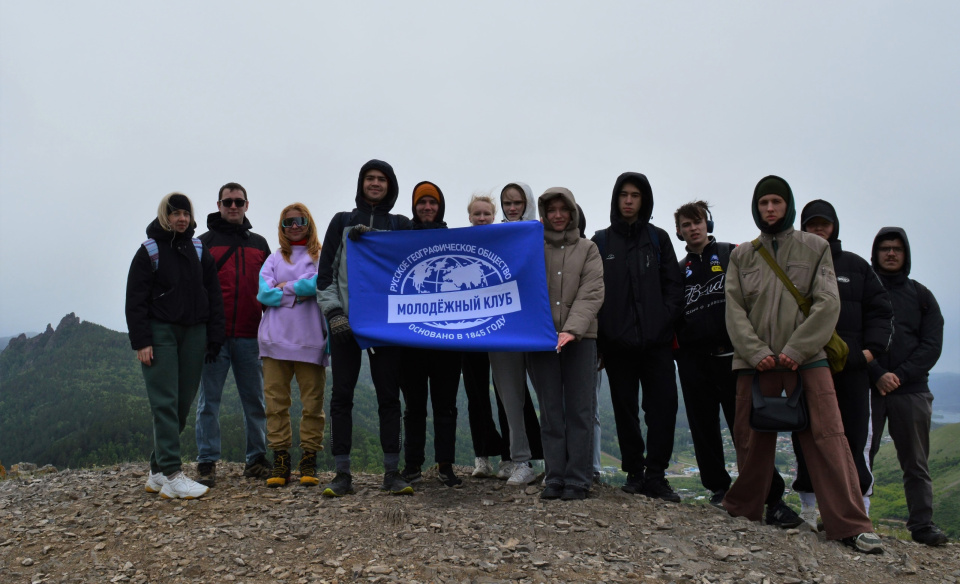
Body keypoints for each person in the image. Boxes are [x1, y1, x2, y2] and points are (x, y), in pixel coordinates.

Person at [723, 175, 882, 554]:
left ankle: (851, 524)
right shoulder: (742, 255)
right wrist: (756, 350)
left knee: (829, 437)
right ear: (756, 208)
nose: (770, 209)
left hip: (808, 359)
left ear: (788, 205)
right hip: (754, 362)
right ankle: (742, 512)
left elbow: (828, 303)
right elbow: (734, 309)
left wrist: (796, 349)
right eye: (763, 203)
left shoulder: (814, 247)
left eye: (776, 201)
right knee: (750, 439)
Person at [673, 200, 800, 526]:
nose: (693, 228)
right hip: (692, 360)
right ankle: (718, 491)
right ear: (680, 231)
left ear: (707, 223)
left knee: (747, 430)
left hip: (734, 358)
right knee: (703, 430)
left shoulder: (734, 254)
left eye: (697, 221)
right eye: (686, 225)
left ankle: (773, 499)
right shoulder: (678, 269)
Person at [791, 200, 894, 528]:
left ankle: (858, 510)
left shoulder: (856, 266)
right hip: (808, 366)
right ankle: (809, 511)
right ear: (804, 227)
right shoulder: (794, 266)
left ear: (834, 226)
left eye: (824, 223)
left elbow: (881, 311)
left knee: (854, 439)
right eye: (812, 223)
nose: (818, 228)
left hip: (851, 370)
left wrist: (868, 353)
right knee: (804, 436)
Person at [317, 159, 414, 497]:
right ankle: (341, 475)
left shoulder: (401, 225)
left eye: (381, 179)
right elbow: (324, 276)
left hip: (386, 326)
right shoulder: (342, 222)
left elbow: (417, 265)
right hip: (345, 323)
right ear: (361, 183)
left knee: (389, 397)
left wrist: (377, 242)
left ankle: (392, 473)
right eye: (369, 178)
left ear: (391, 185)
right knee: (341, 396)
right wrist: (334, 314)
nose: (375, 183)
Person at [591, 172, 684, 502]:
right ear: (616, 199)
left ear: (644, 200)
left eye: (636, 195)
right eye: (623, 195)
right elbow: (594, 293)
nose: (629, 200)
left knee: (663, 408)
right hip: (618, 346)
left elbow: (674, 287)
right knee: (624, 409)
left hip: (657, 343)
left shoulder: (658, 239)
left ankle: (657, 476)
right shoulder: (600, 242)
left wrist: (662, 321)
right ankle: (634, 472)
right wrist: (605, 338)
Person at [126, 192, 224, 499]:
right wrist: (141, 341)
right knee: (165, 402)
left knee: (181, 405)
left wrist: (214, 336)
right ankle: (172, 473)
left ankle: (156, 472)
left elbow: (214, 293)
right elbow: (135, 300)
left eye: (186, 213)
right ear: (164, 216)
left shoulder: (198, 249)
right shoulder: (150, 250)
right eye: (175, 213)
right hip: (160, 332)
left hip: (194, 332)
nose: (181, 218)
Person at [868, 227, 947, 546]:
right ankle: (855, 519)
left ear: (906, 254)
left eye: (897, 249)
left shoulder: (921, 295)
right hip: (869, 388)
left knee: (915, 462)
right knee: (863, 458)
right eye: (885, 248)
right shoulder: (865, 291)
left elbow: (932, 343)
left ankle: (922, 525)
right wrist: (876, 373)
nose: (890, 253)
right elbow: (852, 336)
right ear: (875, 253)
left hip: (911, 390)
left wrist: (897, 375)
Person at [527, 188, 604, 501]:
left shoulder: (589, 249)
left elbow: (592, 292)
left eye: (564, 209)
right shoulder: (531, 248)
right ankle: (555, 476)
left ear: (572, 213)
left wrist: (572, 329)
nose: (558, 215)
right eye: (552, 210)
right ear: (544, 214)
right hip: (542, 340)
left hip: (582, 340)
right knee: (550, 412)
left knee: (580, 411)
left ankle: (578, 479)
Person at [194, 182, 272, 487]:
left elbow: (270, 288)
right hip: (214, 339)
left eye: (239, 201)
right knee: (208, 402)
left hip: (251, 336)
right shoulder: (203, 244)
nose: (233, 206)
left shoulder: (260, 244)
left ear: (247, 205)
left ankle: (255, 460)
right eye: (228, 202)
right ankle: (207, 462)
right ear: (218, 204)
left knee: (255, 401)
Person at [256, 203, 329, 488]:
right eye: (288, 222)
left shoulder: (321, 256)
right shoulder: (274, 257)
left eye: (300, 220)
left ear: (309, 223)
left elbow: (320, 285)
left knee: (313, 405)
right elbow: (263, 293)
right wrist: (299, 290)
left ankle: (309, 458)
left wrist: (285, 287)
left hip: (311, 341)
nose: (294, 226)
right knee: (276, 404)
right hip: (273, 341)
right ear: (281, 227)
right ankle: (281, 460)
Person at [398, 182, 463, 488]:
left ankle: (446, 466)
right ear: (414, 206)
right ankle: (412, 465)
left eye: (432, 202)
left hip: (447, 341)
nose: (427, 207)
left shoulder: (453, 240)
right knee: (413, 407)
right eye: (421, 202)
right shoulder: (400, 238)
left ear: (441, 207)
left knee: (446, 405)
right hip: (411, 341)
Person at [487, 183, 544, 485]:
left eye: (517, 202)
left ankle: (560, 461)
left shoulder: (541, 232)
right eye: (507, 203)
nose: (512, 208)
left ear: (527, 203)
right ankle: (521, 460)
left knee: (548, 397)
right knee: (510, 398)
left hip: (536, 326)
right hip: (503, 329)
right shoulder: (493, 236)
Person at [460, 193, 517, 479]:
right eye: (477, 214)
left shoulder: (505, 239)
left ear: (494, 216)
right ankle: (482, 457)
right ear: (469, 217)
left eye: (486, 214)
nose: (482, 218)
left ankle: (509, 456)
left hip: (500, 329)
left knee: (505, 393)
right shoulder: (458, 244)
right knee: (475, 394)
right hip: (468, 332)